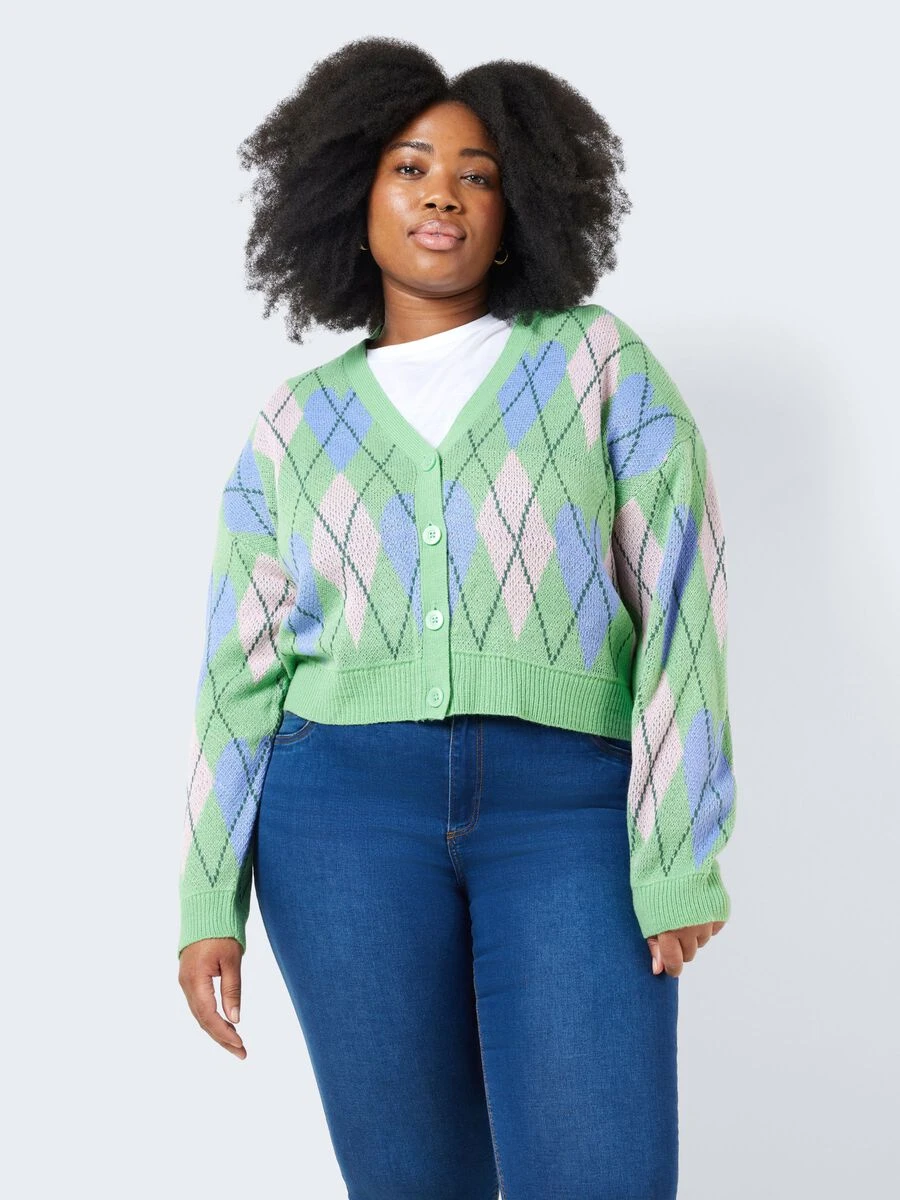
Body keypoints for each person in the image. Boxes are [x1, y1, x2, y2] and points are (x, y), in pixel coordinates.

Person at [176, 36, 737, 1200]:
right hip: (338, 821)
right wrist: (206, 897)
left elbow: (683, 602)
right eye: (411, 168)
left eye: (478, 175)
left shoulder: (596, 363)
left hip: (569, 811)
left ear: (521, 205)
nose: (443, 194)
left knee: (604, 1174)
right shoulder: (293, 424)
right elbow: (239, 672)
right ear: (350, 193)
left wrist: (678, 851)